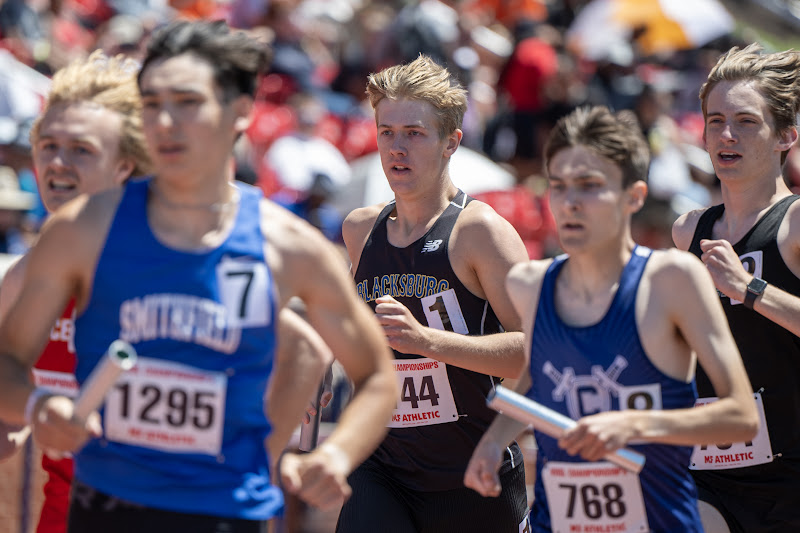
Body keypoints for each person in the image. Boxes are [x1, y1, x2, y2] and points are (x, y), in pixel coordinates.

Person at [0, 19, 397, 533]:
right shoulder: (82, 231)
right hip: (105, 511)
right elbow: (7, 362)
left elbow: (377, 377)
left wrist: (338, 454)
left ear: (239, 112)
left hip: (227, 515)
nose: (165, 121)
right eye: (152, 104)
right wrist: (38, 404)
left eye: (187, 102)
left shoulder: (288, 246)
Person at [464, 105, 758, 533]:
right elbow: (538, 371)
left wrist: (633, 423)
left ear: (633, 196)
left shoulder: (672, 279)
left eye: (589, 186)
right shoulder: (530, 283)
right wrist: (494, 439)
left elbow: (741, 416)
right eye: (559, 186)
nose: (570, 203)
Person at [337, 54, 531, 533]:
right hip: (383, 468)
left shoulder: (480, 231)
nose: (397, 149)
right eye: (387, 132)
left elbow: (537, 353)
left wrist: (429, 343)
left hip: (470, 475)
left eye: (414, 133)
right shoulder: (362, 229)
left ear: (451, 143)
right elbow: (344, 324)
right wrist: (316, 370)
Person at [0, 50, 153, 533]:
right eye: (47, 145)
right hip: (59, 513)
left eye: (81, 149)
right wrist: (30, 410)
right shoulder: (26, 274)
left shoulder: (171, 263)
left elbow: (300, 347)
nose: (57, 163)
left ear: (125, 165)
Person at [672, 43, 800, 533]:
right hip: (710, 471)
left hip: (790, 478)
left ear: (785, 135)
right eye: (715, 120)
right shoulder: (689, 231)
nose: (727, 134)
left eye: (746, 121)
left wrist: (750, 289)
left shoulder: (794, 227)